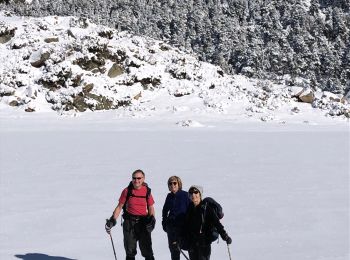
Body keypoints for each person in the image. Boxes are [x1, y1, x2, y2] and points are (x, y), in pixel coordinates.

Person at [105, 169, 156, 260]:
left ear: (143, 179)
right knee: (130, 251)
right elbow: (120, 206)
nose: (136, 180)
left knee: (147, 251)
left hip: (143, 223)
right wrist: (112, 220)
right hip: (129, 223)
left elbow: (151, 207)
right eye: (134, 178)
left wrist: (152, 220)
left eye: (139, 178)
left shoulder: (147, 191)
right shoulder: (127, 191)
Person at [183, 185, 232, 260]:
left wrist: (224, 236)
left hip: (204, 243)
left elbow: (217, 223)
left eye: (196, 192)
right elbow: (186, 225)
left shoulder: (206, 208)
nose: (193, 195)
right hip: (192, 244)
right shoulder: (190, 208)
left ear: (200, 194)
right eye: (191, 193)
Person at [162, 176, 191, 260]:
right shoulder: (169, 196)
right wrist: (164, 223)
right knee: (174, 251)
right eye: (170, 183)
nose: (172, 185)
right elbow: (165, 210)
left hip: (184, 228)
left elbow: (191, 210)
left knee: (189, 248)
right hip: (172, 228)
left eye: (174, 183)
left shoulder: (186, 195)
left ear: (179, 184)